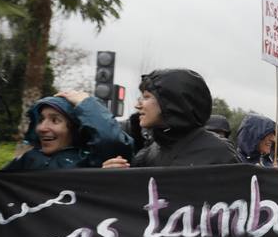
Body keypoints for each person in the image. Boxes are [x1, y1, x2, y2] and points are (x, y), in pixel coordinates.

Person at [0, 90, 132, 175]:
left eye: (55, 120)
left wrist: (86, 103)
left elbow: (111, 140)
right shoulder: (28, 161)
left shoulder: (92, 163)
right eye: (41, 119)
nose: (42, 128)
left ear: (74, 128)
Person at [102, 69, 239, 168]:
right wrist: (113, 177)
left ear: (171, 102)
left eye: (146, 97)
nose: (138, 105)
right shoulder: (148, 155)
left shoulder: (220, 153)